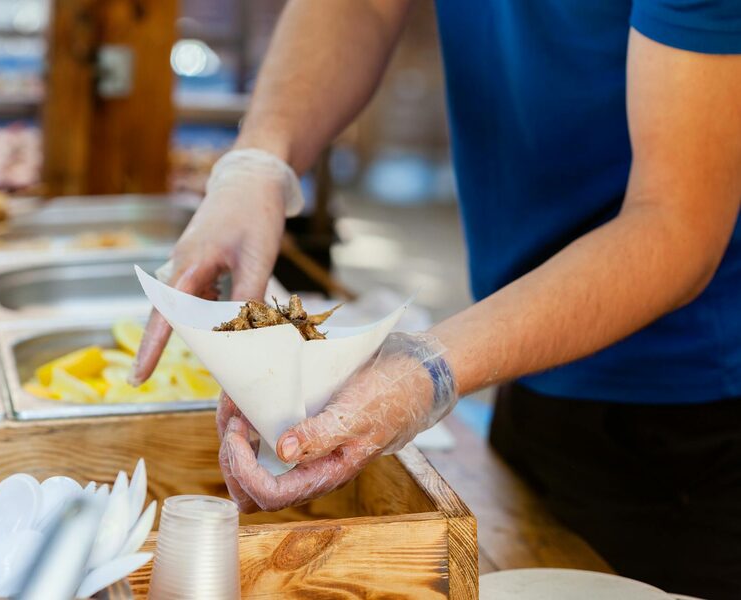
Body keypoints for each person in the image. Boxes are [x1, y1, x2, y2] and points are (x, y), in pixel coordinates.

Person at [132, 1, 741, 597]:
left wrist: (431, 370)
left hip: (691, 417)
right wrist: (259, 162)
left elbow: (676, 223)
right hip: (527, 354)